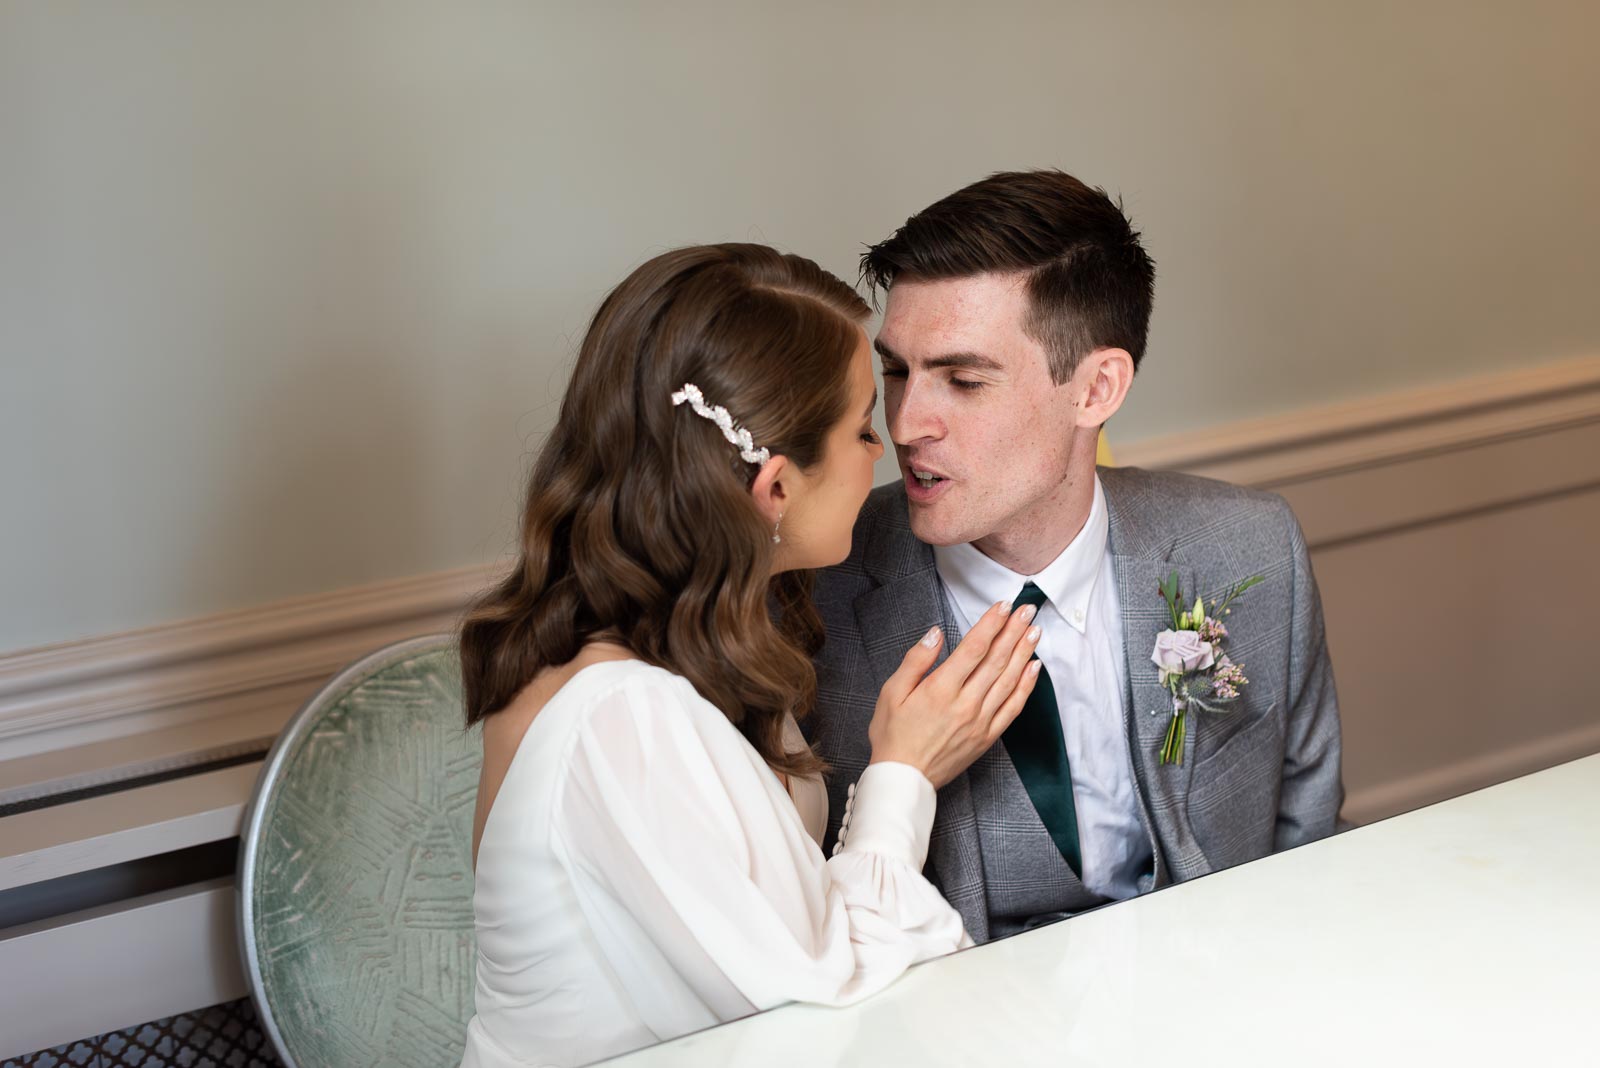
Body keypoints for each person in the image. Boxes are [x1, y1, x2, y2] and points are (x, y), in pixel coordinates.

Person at [458, 243, 1043, 1068]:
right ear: (774, 489)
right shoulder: (626, 718)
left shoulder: (685, 653)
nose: (890, 447)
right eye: (863, 429)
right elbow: (824, 1014)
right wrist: (901, 776)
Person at [808, 170, 1344, 943]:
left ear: (1096, 389)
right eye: (896, 371)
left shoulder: (1251, 548)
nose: (908, 423)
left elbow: (1309, 838)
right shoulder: (811, 596)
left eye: (962, 379)